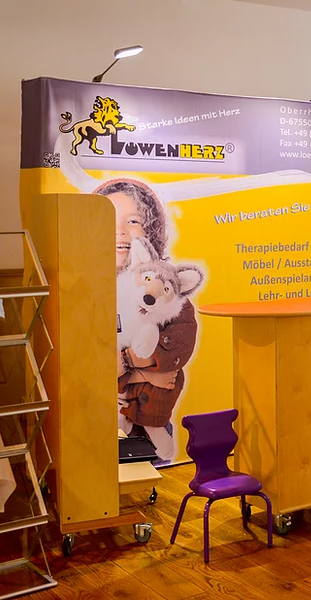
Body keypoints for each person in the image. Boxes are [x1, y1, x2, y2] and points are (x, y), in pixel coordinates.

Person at [95, 178, 198, 464]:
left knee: (150, 476)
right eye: (108, 219)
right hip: (96, 422)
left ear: (151, 229)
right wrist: (143, 373)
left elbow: (175, 355)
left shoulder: (170, 298)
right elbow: (84, 364)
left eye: (133, 221)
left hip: (150, 418)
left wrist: (127, 364)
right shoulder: (83, 290)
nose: (120, 231)